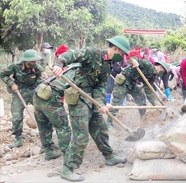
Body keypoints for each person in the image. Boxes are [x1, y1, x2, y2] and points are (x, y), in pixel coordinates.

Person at [52, 35, 129, 182]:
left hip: (92, 99)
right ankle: (67, 169)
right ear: (115, 48)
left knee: (101, 128)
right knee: (81, 136)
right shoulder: (92, 53)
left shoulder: (108, 65)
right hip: (79, 97)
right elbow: (70, 55)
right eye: (122, 53)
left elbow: (101, 86)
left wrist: (101, 103)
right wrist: (58, 64)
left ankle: (109, 156)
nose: (123, 57)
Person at [104, 51, 169, 121]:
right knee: (116, 103)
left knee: (141, 98)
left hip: (132, 84)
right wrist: (135, 62)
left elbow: (149, 92)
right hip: (123, 82)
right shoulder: (147, 64)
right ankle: (109, 122)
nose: (163, 74)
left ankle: (142, 118)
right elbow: (132, 59)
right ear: (160, 67)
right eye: (163, 71)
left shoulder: (151, 77)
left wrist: (155, 105)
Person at [0, 49, 45, 148]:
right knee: (16, 116)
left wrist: (42, 79)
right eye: (32, 61)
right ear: (26, 61)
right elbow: (2, 74)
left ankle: (46, 138)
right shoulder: (15, 66)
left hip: (33, 91)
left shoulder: (38, 68)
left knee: (42, 112)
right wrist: (12, 84)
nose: (34, 63)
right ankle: (18, 139)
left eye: (35, 61)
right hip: (19, 91)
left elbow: (41, 79)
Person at [33, 65, 75, 160]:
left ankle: (48, 152)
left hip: (38, 94)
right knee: (62, 127)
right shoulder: (76, 73)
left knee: (43, 126)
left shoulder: (66, 70)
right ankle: (68, 156)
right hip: (51, 97)